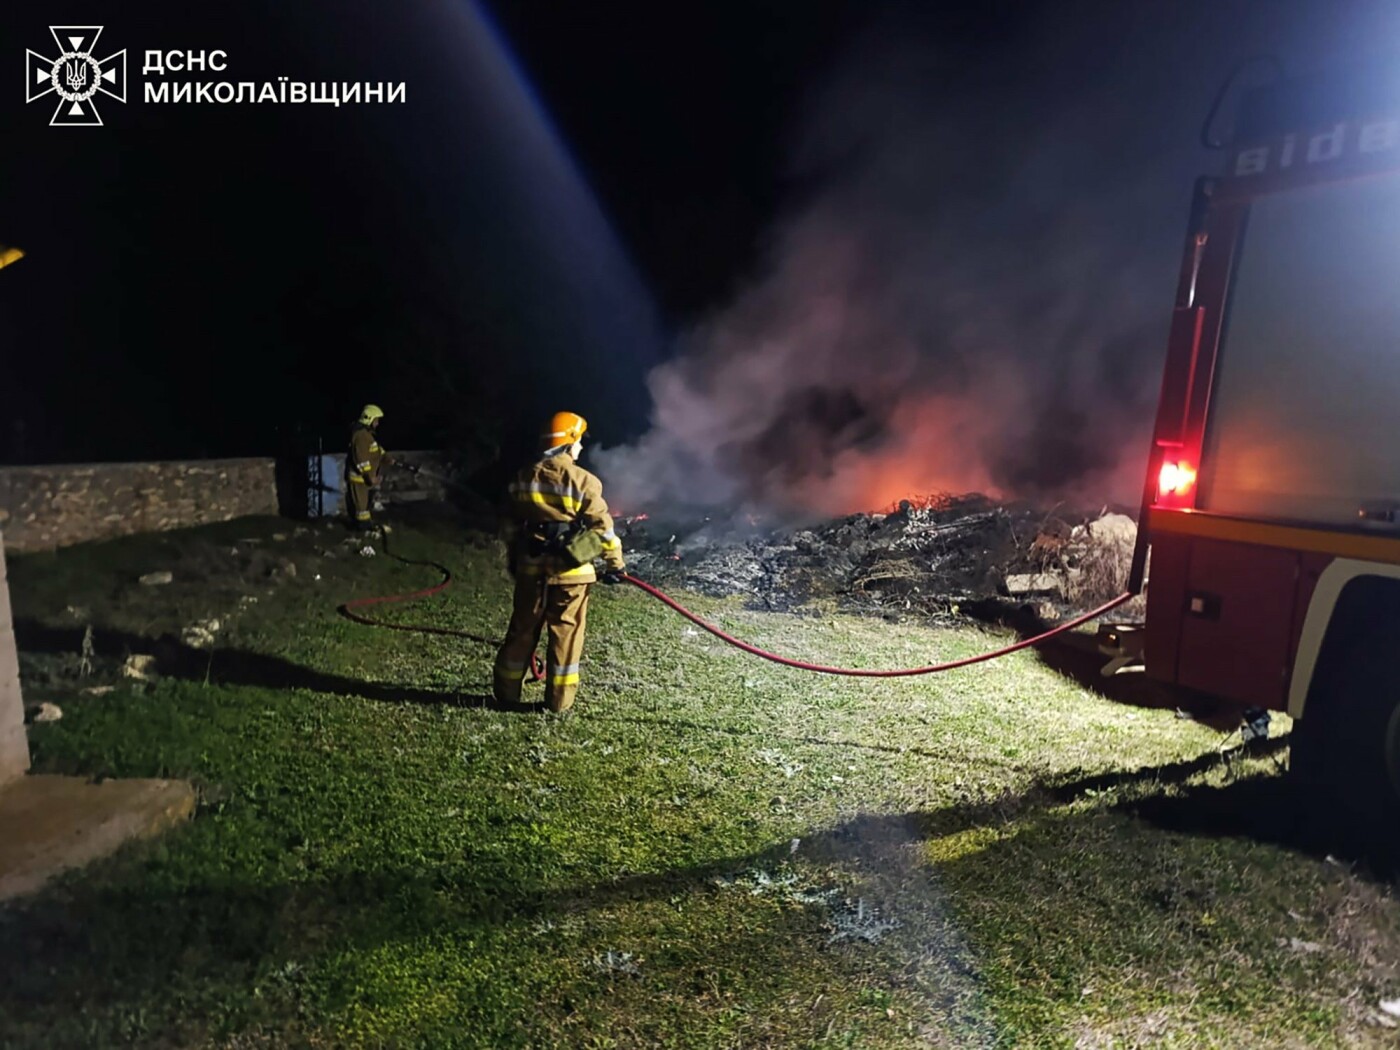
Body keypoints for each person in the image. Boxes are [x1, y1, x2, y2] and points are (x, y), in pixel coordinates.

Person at [493, 411, 626, 712]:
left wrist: (515, 559)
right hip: (572, 574)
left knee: (522, 630)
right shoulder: (583, 482)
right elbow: (603, 530)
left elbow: (511, 527)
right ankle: (557, 703)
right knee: (565, 636)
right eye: (578, 442)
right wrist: (615, 565)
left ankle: (506, 694)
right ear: (568, 444)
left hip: (531, 569)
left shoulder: (523, 477)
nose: (580, 448)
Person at [346, 403, 394, 531]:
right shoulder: (361, 436)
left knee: (365, 505)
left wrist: (386, 457)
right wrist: (369, 476)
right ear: (369, 419)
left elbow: (376, 450)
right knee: (361, 507)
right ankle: (363, 530)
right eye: (376, 420)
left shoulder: (367, 435)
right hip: (359, 479)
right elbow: (361, 459)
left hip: (365, 478)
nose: (377, 423)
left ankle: (365, 527)